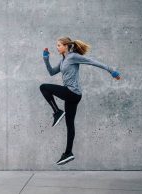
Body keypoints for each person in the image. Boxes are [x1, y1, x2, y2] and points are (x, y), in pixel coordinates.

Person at [39, 36, 121, 165]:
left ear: (66, 46)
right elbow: (51, 72)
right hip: (73, 95)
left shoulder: (72, 57)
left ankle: (57, 112)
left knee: (43, 87)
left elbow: (92, 61)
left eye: (59, 45)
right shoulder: (63, 61)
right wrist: (45, 59)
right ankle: (68, 153)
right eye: (57, 45)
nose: (57, 47)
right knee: (69, 124)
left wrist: (112, 71)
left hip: (71, 93)